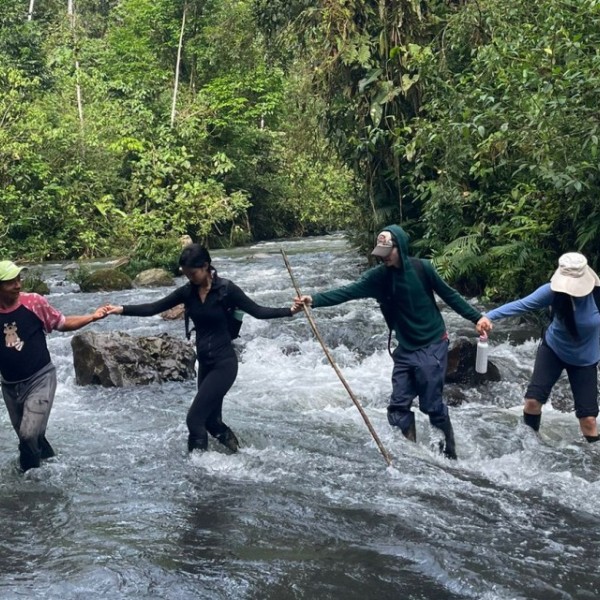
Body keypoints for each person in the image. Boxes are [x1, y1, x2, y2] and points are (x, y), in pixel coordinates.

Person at [294, 225, 485, 459]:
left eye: (388, 253)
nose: (384, 259)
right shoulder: (378, 278)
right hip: (405, 348)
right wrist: (313, 300)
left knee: (431, 406)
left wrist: (477, 318)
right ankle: (412, 455)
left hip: (433, 344)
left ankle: (449, 454)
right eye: (380, 254)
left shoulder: (422, 268)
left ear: (400, 248)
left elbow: (450, 296)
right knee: (397, 406)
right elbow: (347, 292)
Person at [105, 244, 302, 454]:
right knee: (212, 422)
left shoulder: (227, 290)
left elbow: (258, 311)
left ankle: (198, 469)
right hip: (205, 364)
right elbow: (153, 308)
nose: (190, 278)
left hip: (224, 364)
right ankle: (241, 455)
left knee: (194, 420)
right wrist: (120, 309)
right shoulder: (187, 292)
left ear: (206, 266)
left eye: (193, 273)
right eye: (186, 274)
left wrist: (290, 311)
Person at [476, 252, 600, 442]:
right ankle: (531, 445)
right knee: (533, 402)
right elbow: (522, 304)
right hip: (554, 350)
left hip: (585, 359)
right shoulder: (552, 292)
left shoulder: (596, 296)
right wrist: (488, 316)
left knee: (589, 420)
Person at [0, 260, 109, 472]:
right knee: (31, 437)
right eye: (10, 282)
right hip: (10, 385)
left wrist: (92, 317)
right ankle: (50, 465)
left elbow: (61, 323)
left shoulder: (33, 303)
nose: (18, 285)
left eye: (18, 279)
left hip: (40, 378)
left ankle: (28, 486)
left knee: (27, 435)